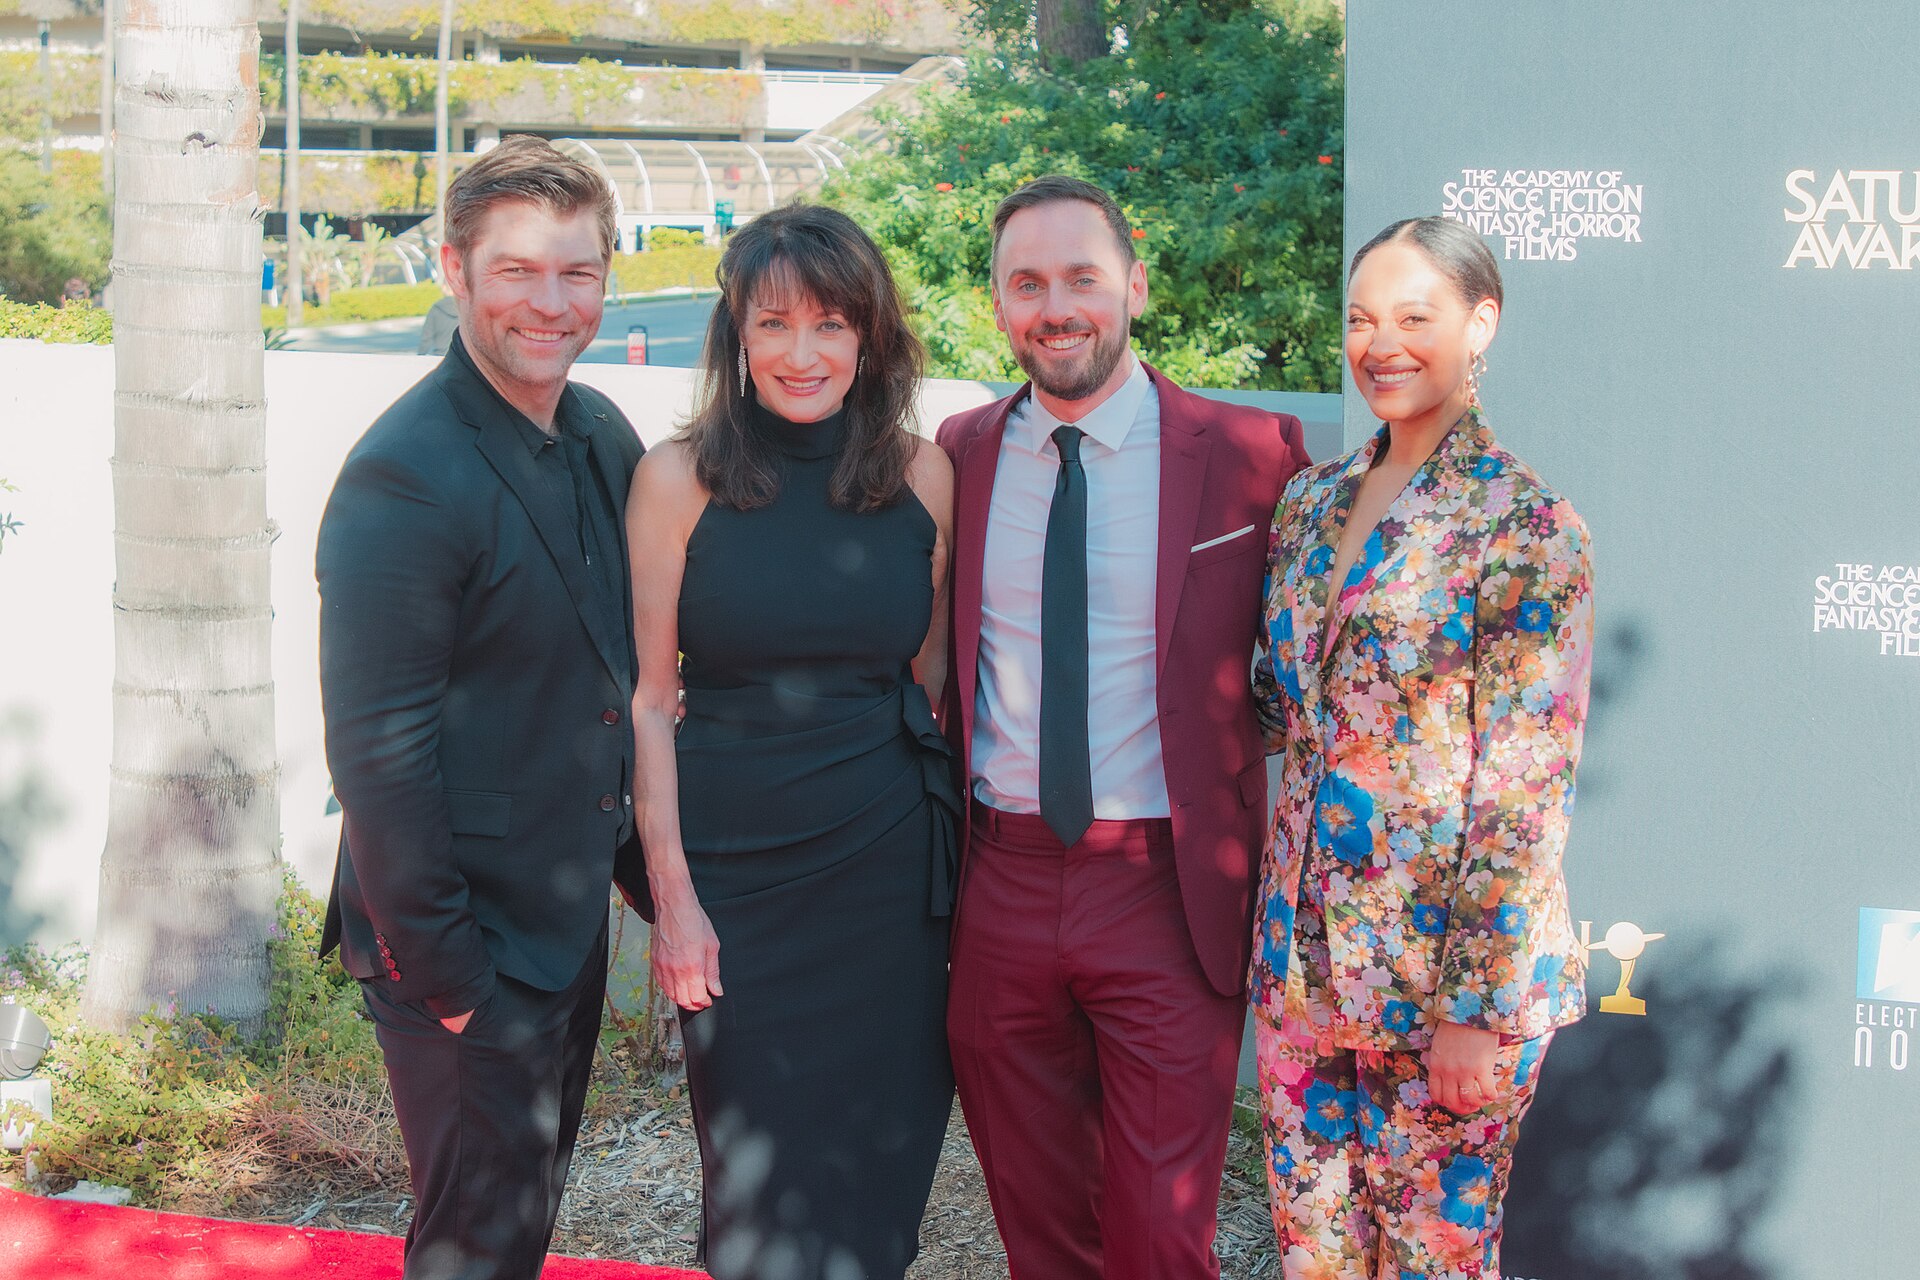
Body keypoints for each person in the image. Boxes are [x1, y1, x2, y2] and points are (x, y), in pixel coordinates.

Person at [937, 176, 1310, 1280]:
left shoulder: (1250, 453)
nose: (1058, 307)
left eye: (1083, 278)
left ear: (1134, 286)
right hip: (998, 877)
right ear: (1000, 303)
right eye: (1028, 283)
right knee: (1038, 1228)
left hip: (1165, 885)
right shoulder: (956, 453)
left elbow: (1305, 666)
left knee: (1159, 1235)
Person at [315, 135, 647, 1280]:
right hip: (459, 947)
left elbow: (621, 673)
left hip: (562, 921)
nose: (550, 303)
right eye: (516, 270)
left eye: (577, 272)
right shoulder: (403, 472)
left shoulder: (602, 431)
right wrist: (453, 982)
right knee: (473, 1244)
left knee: (518, 1222)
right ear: (455, 271)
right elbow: (377, 752)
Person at [1249, 216, 1594, 1279]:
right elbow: (1276, 704)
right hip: (1300, 967)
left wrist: (1474, 1013)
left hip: (1445, 982)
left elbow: (1524, 791)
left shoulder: (1527, 526)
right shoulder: (1309, 503)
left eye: (1414, 316)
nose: (1380, 343)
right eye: (1360, 318)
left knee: (1435, 1262)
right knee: (1315, 1257)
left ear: (1480, 323)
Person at [624, 203, 957, 1280]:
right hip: (738, 886)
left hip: (888, 880)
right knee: (757, 1183)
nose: (802, 353)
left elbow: (931, 681)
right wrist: (671, 898)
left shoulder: (924, 473)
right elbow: (646, 700)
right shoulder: (677, 477)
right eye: (775, 325)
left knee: (881, 1170)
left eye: (829, 324)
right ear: (736, 336)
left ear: (869, 336)